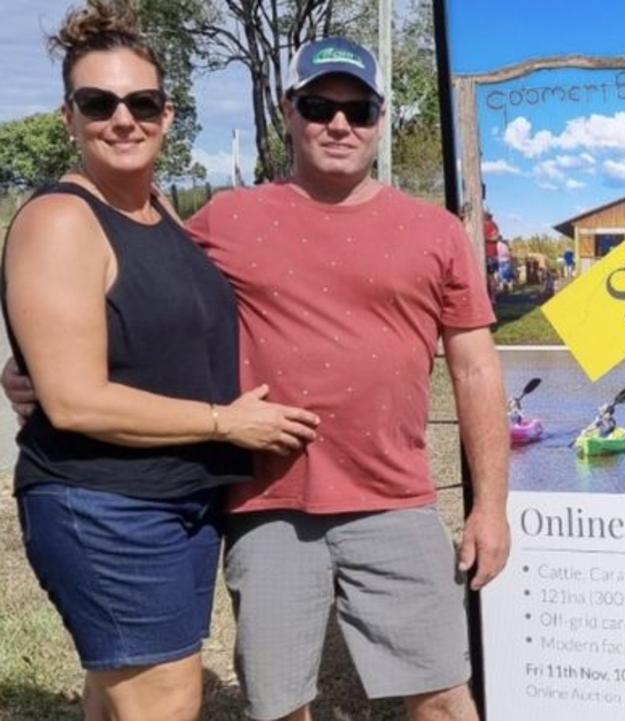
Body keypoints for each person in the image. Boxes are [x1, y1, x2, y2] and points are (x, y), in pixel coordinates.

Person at [6, 36, 509, 721]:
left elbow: (476, 367)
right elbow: (128, 284)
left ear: (381, 118)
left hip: (396, 499)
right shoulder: (226, 219)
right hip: (265, 505)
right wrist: (36, 369)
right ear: (288, 111)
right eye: (318, 105)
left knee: (445, 695)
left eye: (358, 109)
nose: (339, 123)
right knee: (277, 704)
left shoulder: (437, 230)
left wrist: (489, 506)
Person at [1, 2, 318, 720]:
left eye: (141, 102)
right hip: (106, 505)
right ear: (69, 117)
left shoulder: (162, 209)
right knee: (166, 698)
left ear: (168, 116)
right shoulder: (60, 220)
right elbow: (76, 401)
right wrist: (224, 422)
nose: (123, 118)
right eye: (99, 102)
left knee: (122, 696)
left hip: (175, 500)